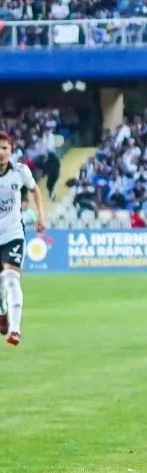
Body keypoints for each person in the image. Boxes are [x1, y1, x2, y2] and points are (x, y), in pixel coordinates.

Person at [0, 132, 46, 346]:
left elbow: (35, 189)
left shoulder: (19, 171)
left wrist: (40, 216)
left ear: (11, 150)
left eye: (4, 148)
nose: (1, 153)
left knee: (11, 278)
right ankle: (2, 312)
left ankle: (15, 329)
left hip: (13, 235)